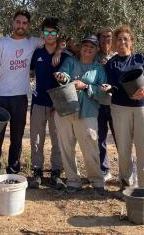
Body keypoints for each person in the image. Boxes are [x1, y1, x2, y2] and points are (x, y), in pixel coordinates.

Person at [0, 10, 58, 175]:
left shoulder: (32, 42)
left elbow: (55, 38)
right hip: (0, 97)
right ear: (13, 23)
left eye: (24, 23)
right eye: (18, 22)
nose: (21, 26)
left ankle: (12, 171)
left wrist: (61, 49)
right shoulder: (2, 43)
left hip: (20, 98)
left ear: (29, 25)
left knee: (17, 139)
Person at [100, 24, 144, 205]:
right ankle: (125, 186)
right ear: (114, 44)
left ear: (131, 42)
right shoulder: (111, 64)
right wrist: (110, 88)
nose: (122, 42)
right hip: (120, 108)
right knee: (124, 149)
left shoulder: (141, 58)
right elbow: (112, 86)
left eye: (125, 39)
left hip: (143, 107)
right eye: (118, 40)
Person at [53, 35, 106, 195]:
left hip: (88, 112)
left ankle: (97, 181)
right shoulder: (70, 62)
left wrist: (85, 86)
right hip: (65, 110)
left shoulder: (99, 69)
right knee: (66, 147)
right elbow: (63, 75)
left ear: (96, 50)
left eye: (92, 46)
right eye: (85, 46)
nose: (88, 49)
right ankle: (73, 181)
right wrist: (62, 77)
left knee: (90, 148)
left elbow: (103, 92)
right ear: (81, 47)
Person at [28, 17, 68, 189]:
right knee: (36, 139)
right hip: (38, 102)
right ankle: (37, 171)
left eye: (53, 32)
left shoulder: (65, 56)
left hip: (57, 105)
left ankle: (56, 172)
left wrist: (60, 50)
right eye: (46, 32)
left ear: (57, 34)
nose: (49, 35)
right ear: (42, 34)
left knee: (57, 140)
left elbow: (67, 80)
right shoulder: (37, 53)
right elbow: (31, 73)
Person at [95, 27, 118, 182]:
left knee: (121, 139)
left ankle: (129, 171)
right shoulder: (94, 56)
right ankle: (104, 169)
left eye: (109, 36)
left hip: (116, 105)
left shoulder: (118, 56)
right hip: (98, 104)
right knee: (100, 139)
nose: (106, 40)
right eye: (102, 37)